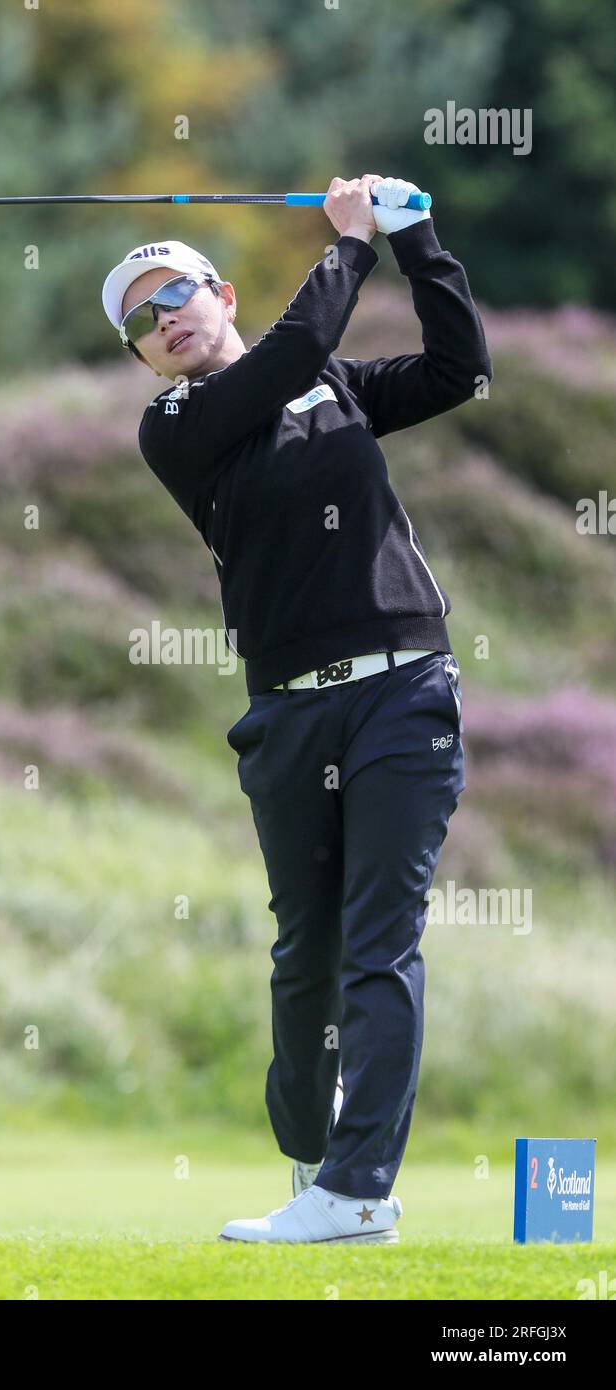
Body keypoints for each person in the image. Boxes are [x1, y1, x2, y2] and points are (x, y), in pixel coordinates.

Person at [101, 175, 492, 1245]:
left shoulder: (336, 389)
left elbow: (460, 371)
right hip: (284, 715)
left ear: (219, 292)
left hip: (401, 692)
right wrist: (347, 244)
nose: (163, 319)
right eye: (140, 320)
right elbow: (281, 360)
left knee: (377, 941)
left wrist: (417, 241)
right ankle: (318, 1166)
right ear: (138, 356)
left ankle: (356, 1187)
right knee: (303, 957)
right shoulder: (177, 424)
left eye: (174, 292)